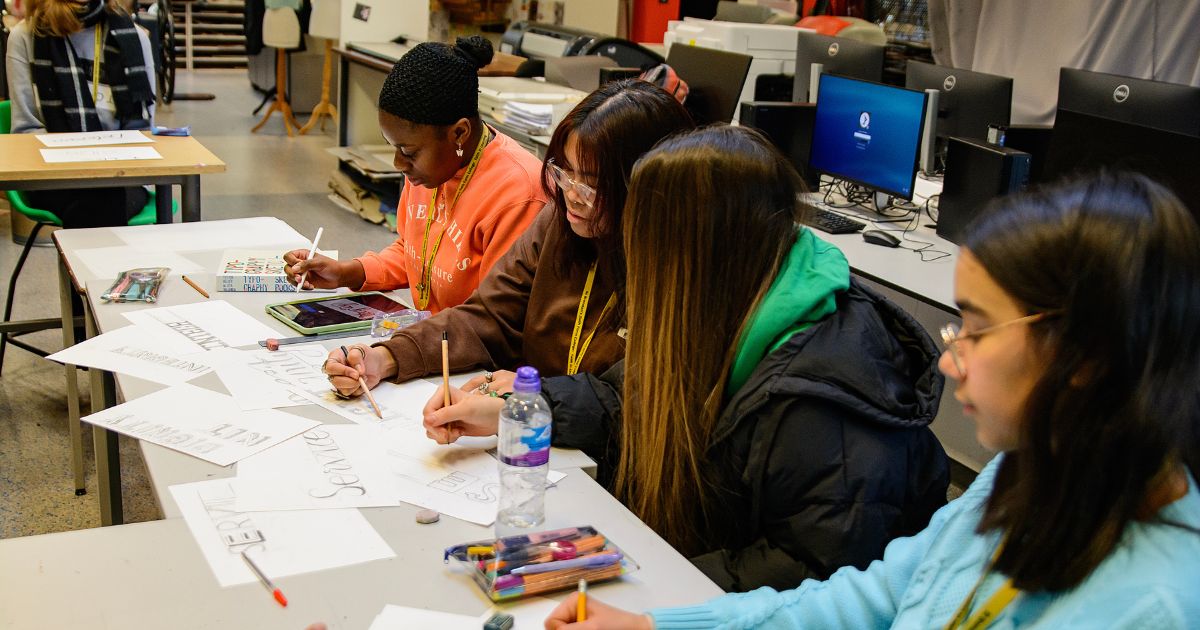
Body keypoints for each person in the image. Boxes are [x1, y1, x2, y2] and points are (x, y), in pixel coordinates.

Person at [542, 171, 1200, 629]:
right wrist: (657, 625)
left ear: (1082, 355)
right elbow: (867, 602)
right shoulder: (1025, 473)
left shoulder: (1154, 606)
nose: (949, 357)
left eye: (975, 328)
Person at [423, 126, 950, 592]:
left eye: (645, 239)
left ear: (693, 252)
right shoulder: (736, 293)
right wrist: (519, 410)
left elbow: (813, 573)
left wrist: (635, 577)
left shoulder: (823, 394)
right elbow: (625, 397)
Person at [320, 80, 695, 399]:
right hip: (542, 430)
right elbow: (490, 314)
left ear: (646, 190)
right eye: (564, 172)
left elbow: (626, 403)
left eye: (593, 185)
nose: (572, 195)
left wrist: (532, 398)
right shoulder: (559, 222)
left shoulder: (678, 274)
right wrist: (386, 357)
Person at [283, 36, 546, 313]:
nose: (399, 163)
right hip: (435, 337)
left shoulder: (519, 195)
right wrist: (347, 272)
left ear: (459, 133)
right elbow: (414, 254)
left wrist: (398, 352)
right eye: (393, 148)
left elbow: (494, 320)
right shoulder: (433, 168)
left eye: (408, 152)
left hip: (475, 348)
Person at [5, 0, 156, 228]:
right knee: (99, 203)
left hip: (121, 175)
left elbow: (143, 131)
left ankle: (79, 264)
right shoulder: (25, 36)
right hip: (50, 176)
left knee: (104, 199)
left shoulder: (133, 39)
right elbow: (26, 129)